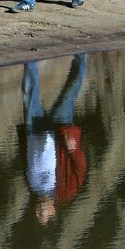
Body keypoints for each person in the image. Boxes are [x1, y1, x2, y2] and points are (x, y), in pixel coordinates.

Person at [18, 55, 89, 224]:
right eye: (43, 215)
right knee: (70, 92)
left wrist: (23, 137)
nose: (38, 212)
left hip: (34, 132)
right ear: (53, 211)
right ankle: (81, 56)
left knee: (29, 95)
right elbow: (80, 170)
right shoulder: (66, 192)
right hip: (60, 133)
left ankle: (30, 58)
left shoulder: (32, 188)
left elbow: (26, 160)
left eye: (37, 215)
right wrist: (74, 149)